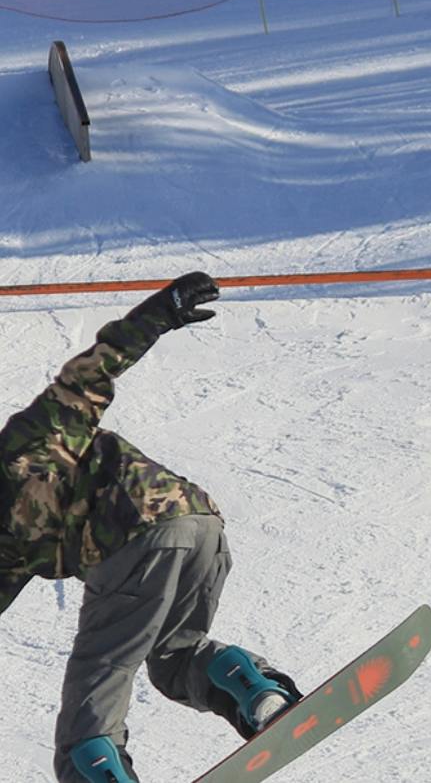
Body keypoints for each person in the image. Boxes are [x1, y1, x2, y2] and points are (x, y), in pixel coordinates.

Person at [1, 273, 301, 783]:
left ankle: (98, 773)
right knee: (175, 658)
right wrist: (162, 312)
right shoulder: (26, 437)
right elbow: (93, 370)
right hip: (199, 522)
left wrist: (160, 313)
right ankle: (259, 693)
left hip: (131, 539)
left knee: (94, 692)